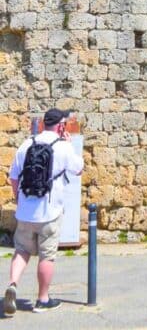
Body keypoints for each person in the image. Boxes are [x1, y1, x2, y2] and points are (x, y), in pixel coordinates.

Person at [4, 107, 84, 315]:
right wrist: (68, 144)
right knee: (46, 256)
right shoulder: (63, 147)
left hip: (25, 211)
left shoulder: (26, 144)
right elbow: (78, 168)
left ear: (42, 125)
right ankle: (42, 299)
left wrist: (18, 200)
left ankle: (13, 284)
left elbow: (13, 177)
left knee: (21, 250)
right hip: (50, 212)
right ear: (61, 126)